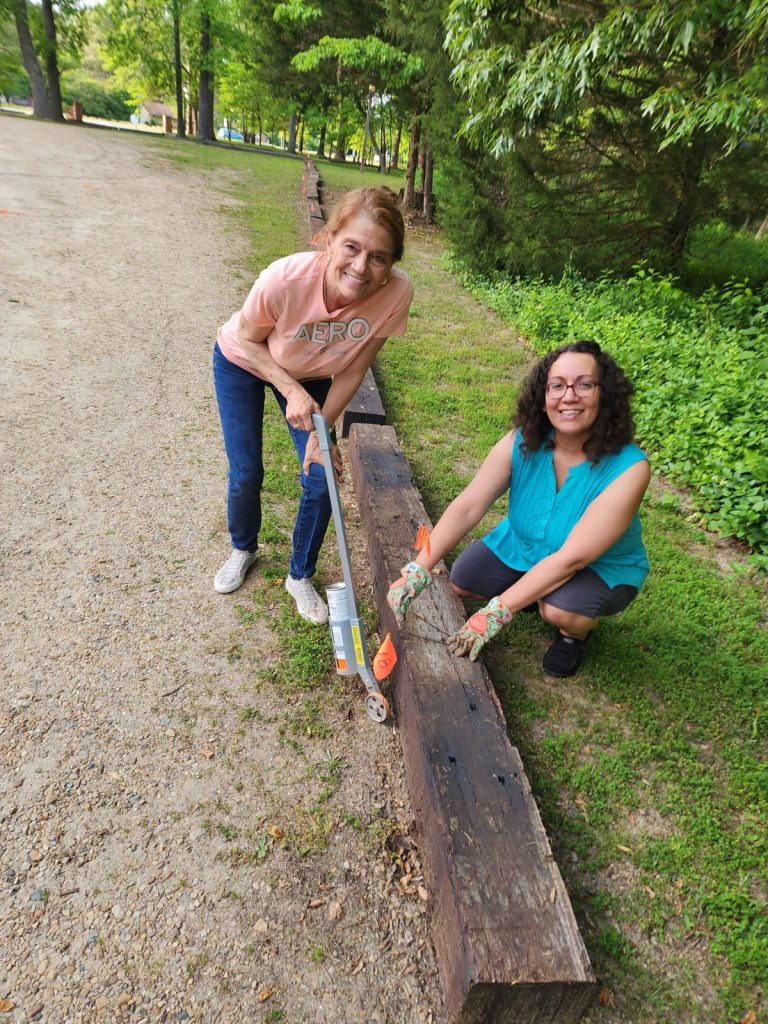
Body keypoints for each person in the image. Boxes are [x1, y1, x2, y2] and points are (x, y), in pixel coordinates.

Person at [387, 340, 651, 677]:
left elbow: (574, 558)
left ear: (605, 394)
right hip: (525, 547)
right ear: (543, 398)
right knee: (464, 579)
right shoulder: (522, 440)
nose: (569, 395)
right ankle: (533, 591)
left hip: (599, 566)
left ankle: (574, 635)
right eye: (557, 386)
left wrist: (496, 612)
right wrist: (419, 566)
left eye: (584, 384)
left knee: (557, 609)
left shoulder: (629, 469)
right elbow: (469, 505)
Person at [213, 187, 412, 624]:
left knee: (322, 476)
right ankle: (242, 548)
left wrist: (321, 427)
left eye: (378, 257)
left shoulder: (396, 295)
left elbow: (355, 369)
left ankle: (299, 575)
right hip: (244, 361)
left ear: (391, 263)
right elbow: (248, 340)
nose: (361, 267)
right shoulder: (284, 279)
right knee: (246, 472)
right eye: (352, 247)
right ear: (329, 238)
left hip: (315, 375)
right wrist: (290, 389)